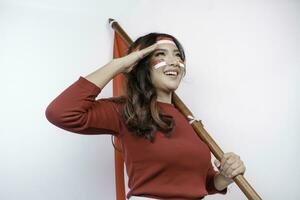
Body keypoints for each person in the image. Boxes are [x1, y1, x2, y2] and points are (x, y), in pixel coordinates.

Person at [45, 32, 246, 200]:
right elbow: (61, 112)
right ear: (141, 64)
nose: (174, 61)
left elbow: (202, 184)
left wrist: (224, 176)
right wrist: (119, 65)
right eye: (161, 54)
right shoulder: (126, 111)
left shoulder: (190, 121)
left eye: (177, 55)